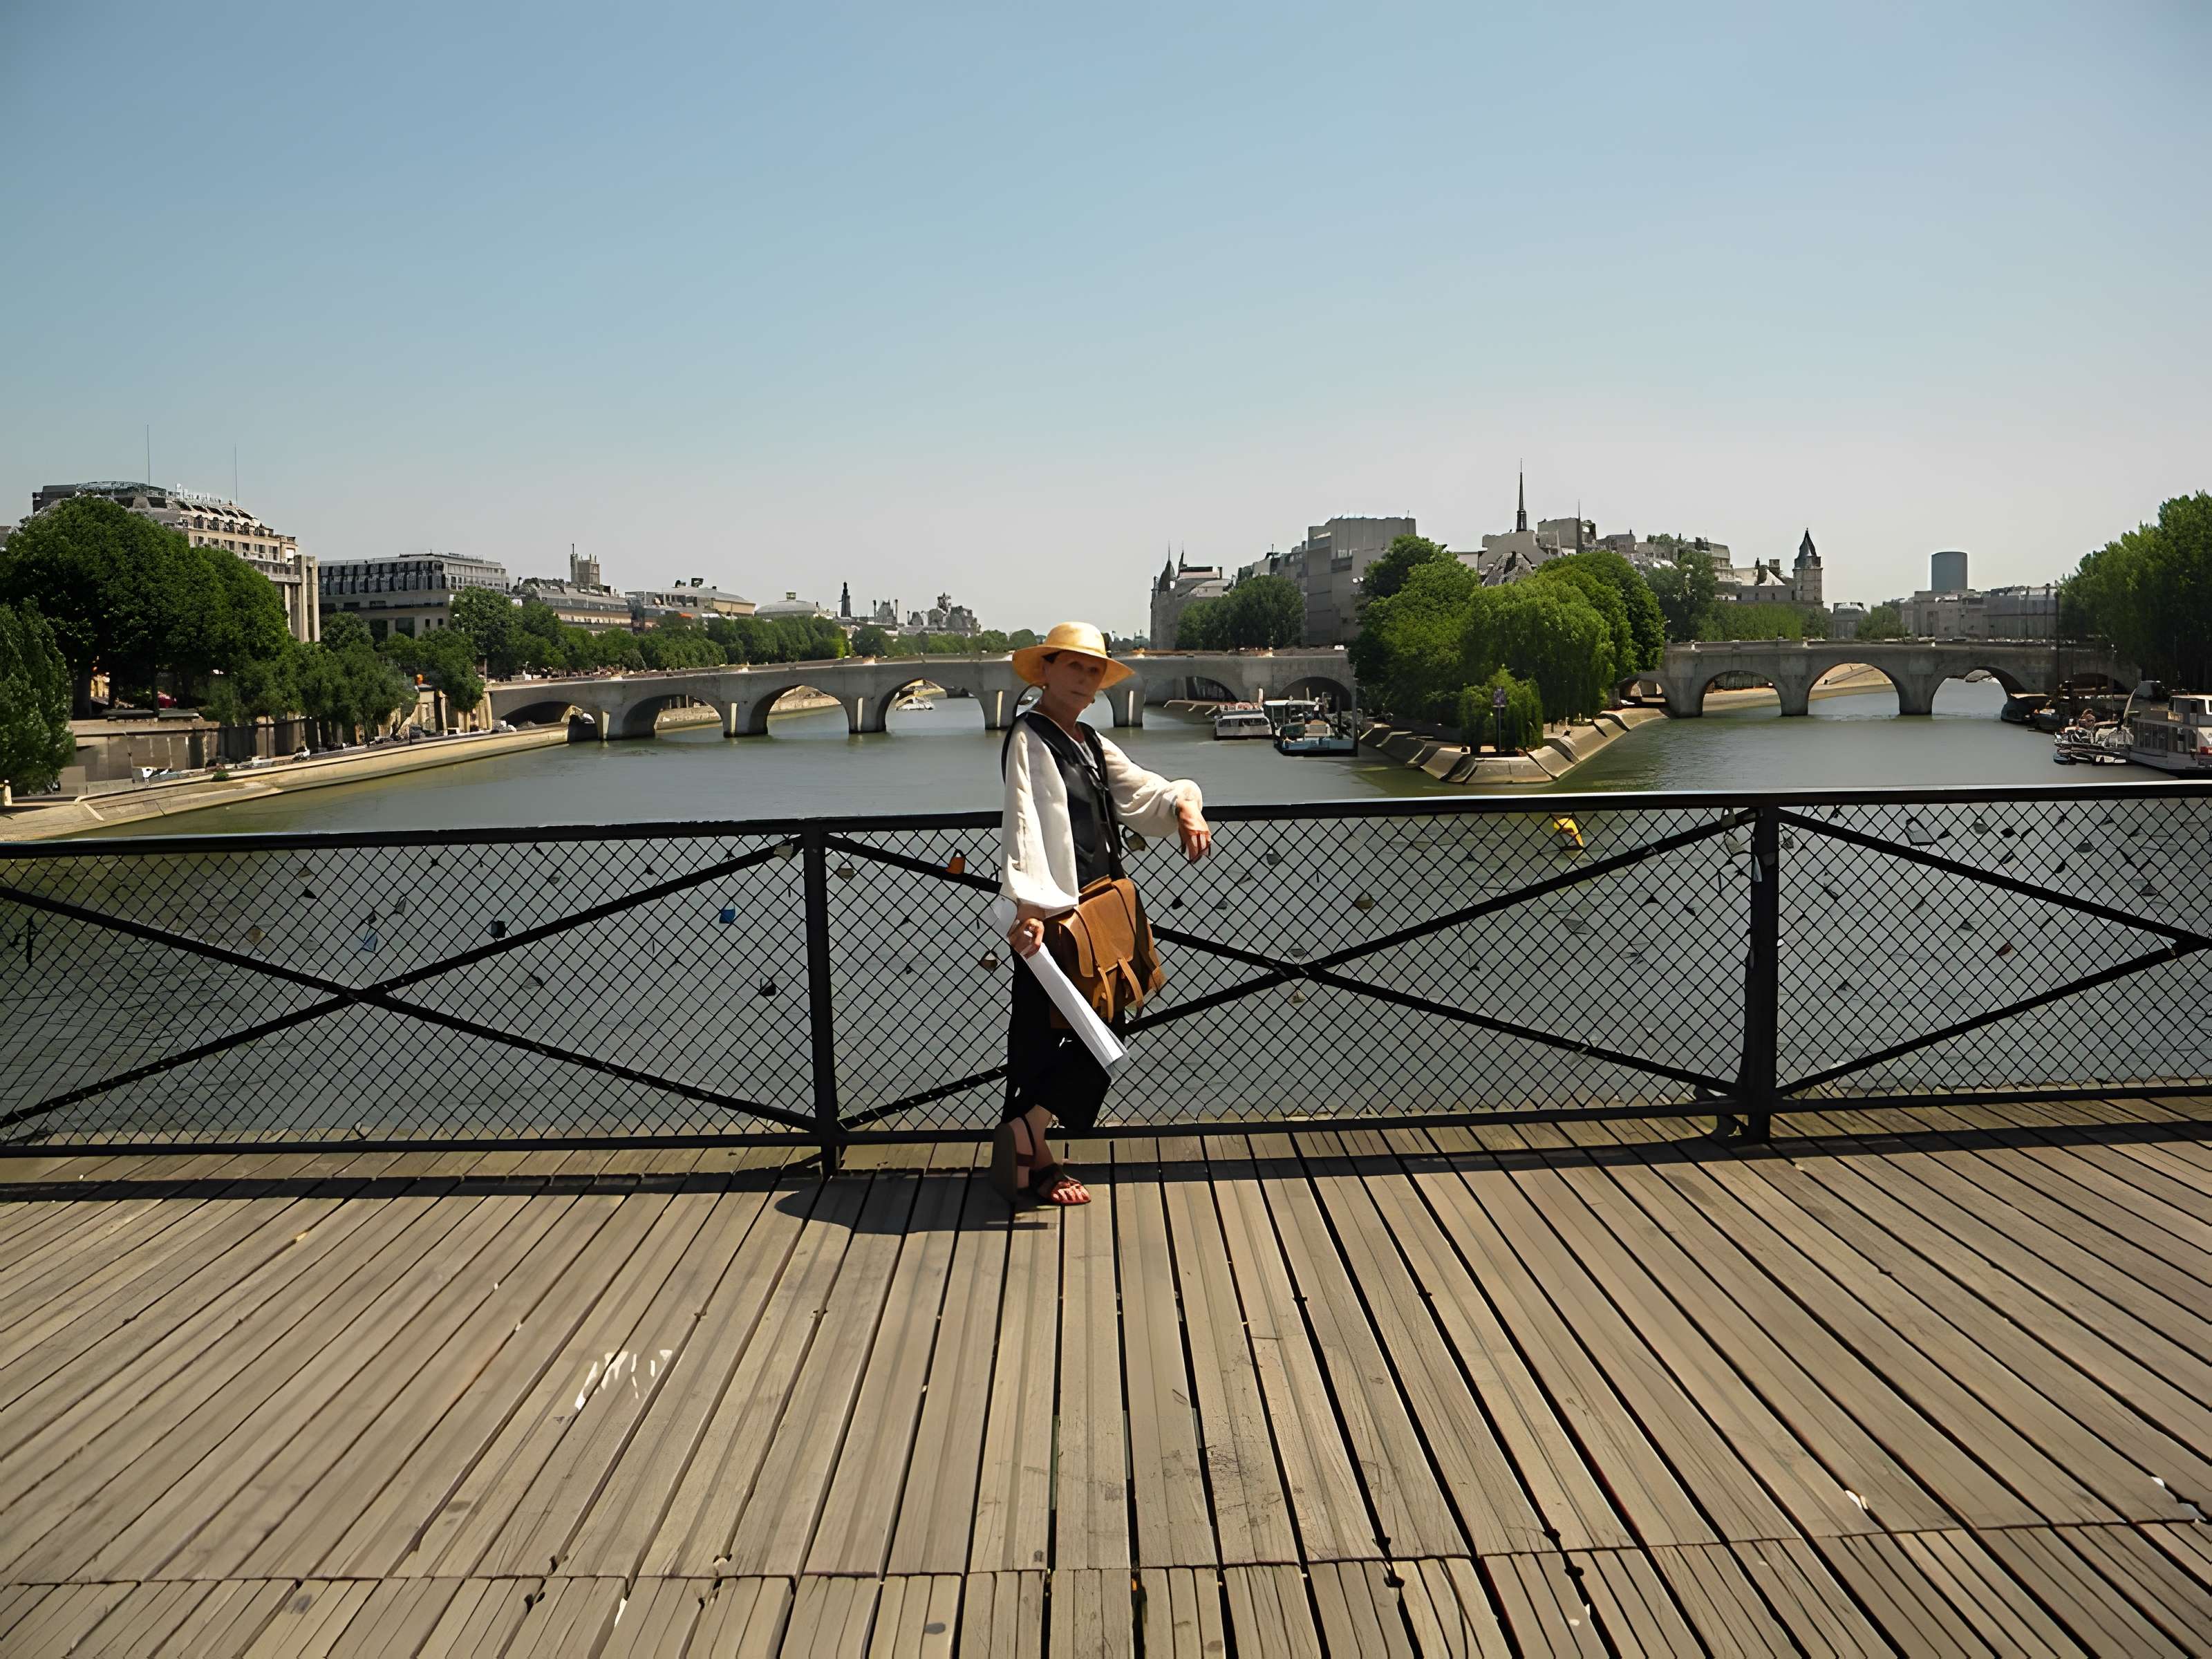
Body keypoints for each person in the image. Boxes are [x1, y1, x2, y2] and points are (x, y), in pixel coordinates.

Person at [995, 622, 1212, 1205]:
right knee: (1071, 1030)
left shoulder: (1089, 740)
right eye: (1075, 667)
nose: (1086, 680)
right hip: (1057, 912)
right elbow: (1026, 821)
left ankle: (1027, 1138)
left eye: (1094, 671)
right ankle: (1030, 1142)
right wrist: (1032, 906)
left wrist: (1184, 804)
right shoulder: (1031, 736)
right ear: (1046, 672)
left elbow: (1140, 793)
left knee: (1084, 1025)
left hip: (1098, 907)